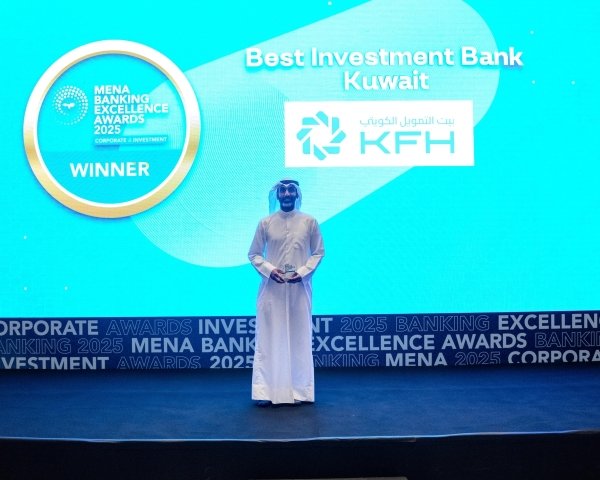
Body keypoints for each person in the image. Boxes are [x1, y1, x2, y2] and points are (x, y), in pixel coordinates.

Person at [248, 179, 325, 407]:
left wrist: (302, 273)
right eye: (283, 190)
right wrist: (270, 271)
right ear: (278, 195)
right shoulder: (265, 223)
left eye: (291, 190)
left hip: (299, 291)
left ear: (297, 194)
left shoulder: (310, 222)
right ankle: (266, 391)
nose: (287, 194)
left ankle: (300, 391)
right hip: (272, 291)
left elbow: (318, 252)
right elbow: (254, 254)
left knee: (299, 340)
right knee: (269, 339)